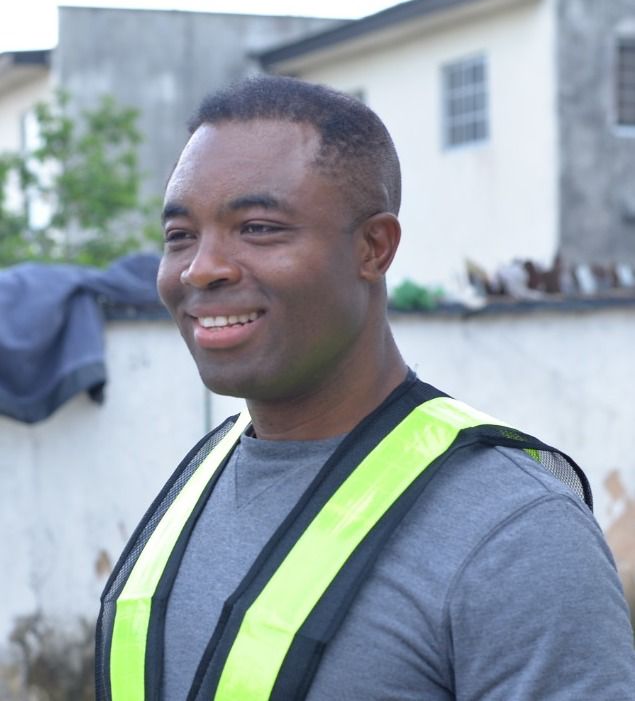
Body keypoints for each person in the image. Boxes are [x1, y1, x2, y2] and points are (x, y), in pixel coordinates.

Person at [95, 76, 635, 701]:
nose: (200, 268)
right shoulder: (196, 481)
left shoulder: (515, 533)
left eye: (259, 228)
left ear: (374, 248)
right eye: (180, 236)